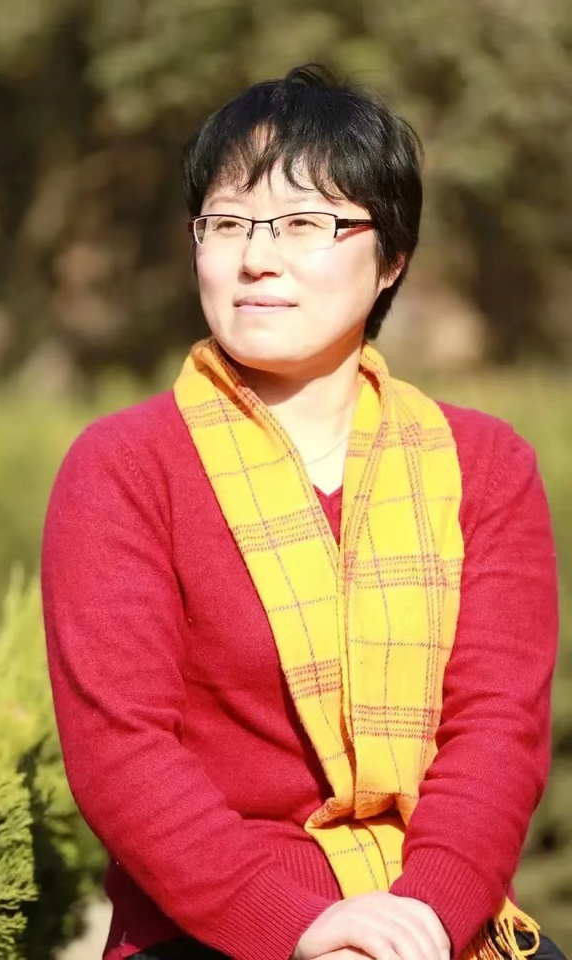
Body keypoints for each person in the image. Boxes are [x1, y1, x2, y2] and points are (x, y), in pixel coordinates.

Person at [41, 65, 564, 960]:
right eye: (228, 223)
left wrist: (426, 917)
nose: (257, 258)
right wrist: (298, 924)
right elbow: (123, 754)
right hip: (212, 927)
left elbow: (497, 732)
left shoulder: (485, 467)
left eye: (303, 223)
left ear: (390, 258)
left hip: (435, 921)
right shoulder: (123, 467)